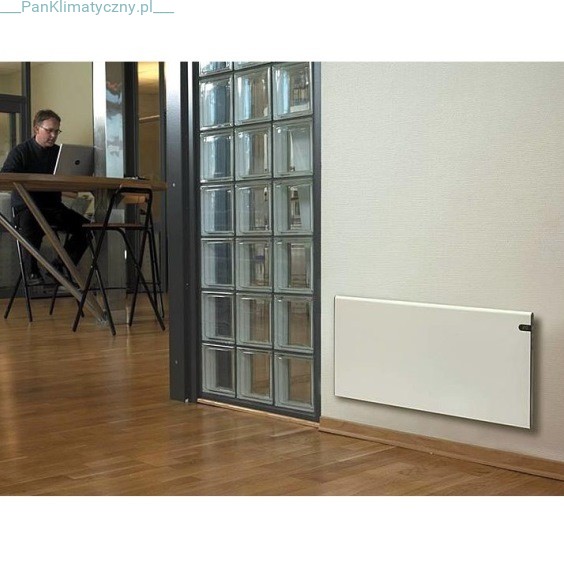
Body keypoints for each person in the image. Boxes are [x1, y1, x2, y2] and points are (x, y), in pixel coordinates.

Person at [0, 109, 89, 285]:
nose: (53, 135)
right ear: (36, 129)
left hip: (53, 207)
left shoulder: (60, 153)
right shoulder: (20, 151)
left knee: (87, 228)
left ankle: (60, 267)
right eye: (49, 130)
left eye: (57, 131)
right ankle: (32, 273)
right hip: (26, 207)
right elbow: (5, 177)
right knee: (30, 225)